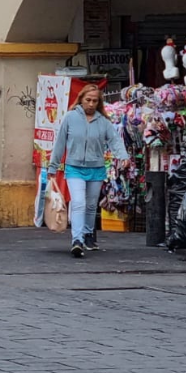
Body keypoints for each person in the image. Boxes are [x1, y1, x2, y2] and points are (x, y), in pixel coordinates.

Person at [47, 84, 129, 258]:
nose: (91, 104)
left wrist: (123, 156)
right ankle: (77, 240)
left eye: (95, 101)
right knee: (78, 203)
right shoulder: (70, 117)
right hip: (74, 168)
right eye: (88, 100)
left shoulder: (103, 122)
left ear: (99, 103)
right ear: (81, 99)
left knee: (91, 206)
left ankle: (88, 234)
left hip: (96, 168)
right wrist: (53, 166)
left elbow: (115, 140)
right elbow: (60, 143)